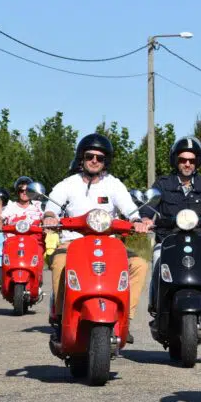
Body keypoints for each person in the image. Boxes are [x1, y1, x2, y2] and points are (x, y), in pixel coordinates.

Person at [42, 133, 151, 343]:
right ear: (81, 158)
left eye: (99, 158)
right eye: (89, 156)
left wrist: (137, 220)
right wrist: (49, 216)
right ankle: (61, 317)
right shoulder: (69, 183)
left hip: (109, 244)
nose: (94, 161)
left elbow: (129, 208)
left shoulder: (114, 184)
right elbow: (52, 205)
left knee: (139, 265)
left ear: (105, 161)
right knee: (59, 262)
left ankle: (124, 319)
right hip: (73, 242)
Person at [140, 136, 201, 312]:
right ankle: (156, 304)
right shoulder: (163, 184)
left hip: (199, 241)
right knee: (157, 260)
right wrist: (145, 219)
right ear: (175, 161)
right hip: (168, 241)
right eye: (183, 160)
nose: (187, 164)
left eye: (191, 160)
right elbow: (148, 207)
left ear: (197, 162)